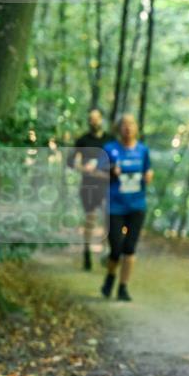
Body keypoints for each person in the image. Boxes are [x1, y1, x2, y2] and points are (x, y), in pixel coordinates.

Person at [100, 113, 153, 302]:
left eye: (131, 124)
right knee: (116, 248)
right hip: (114, 206)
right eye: (124, 125)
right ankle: (110, 276)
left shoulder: (143, 150)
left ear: (136, 128)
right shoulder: (109, 149)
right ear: (118, 129)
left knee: (129, 248)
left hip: (137, 205)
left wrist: (148, 176)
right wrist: (111, 172)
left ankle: (123, 287)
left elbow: (148, 170)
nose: (127, 128)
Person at [68, 108, 112, 270]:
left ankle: (106, 251)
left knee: (109, 219)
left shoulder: (110, 140)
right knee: (90, 218)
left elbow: (115, 162)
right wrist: (84, 168)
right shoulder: (83, 141)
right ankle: (87, 252)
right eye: (90, 118)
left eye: (96, 118)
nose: (94, 121)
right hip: (88, 186)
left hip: (107, 185)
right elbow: (72, 162)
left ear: (101, 119)